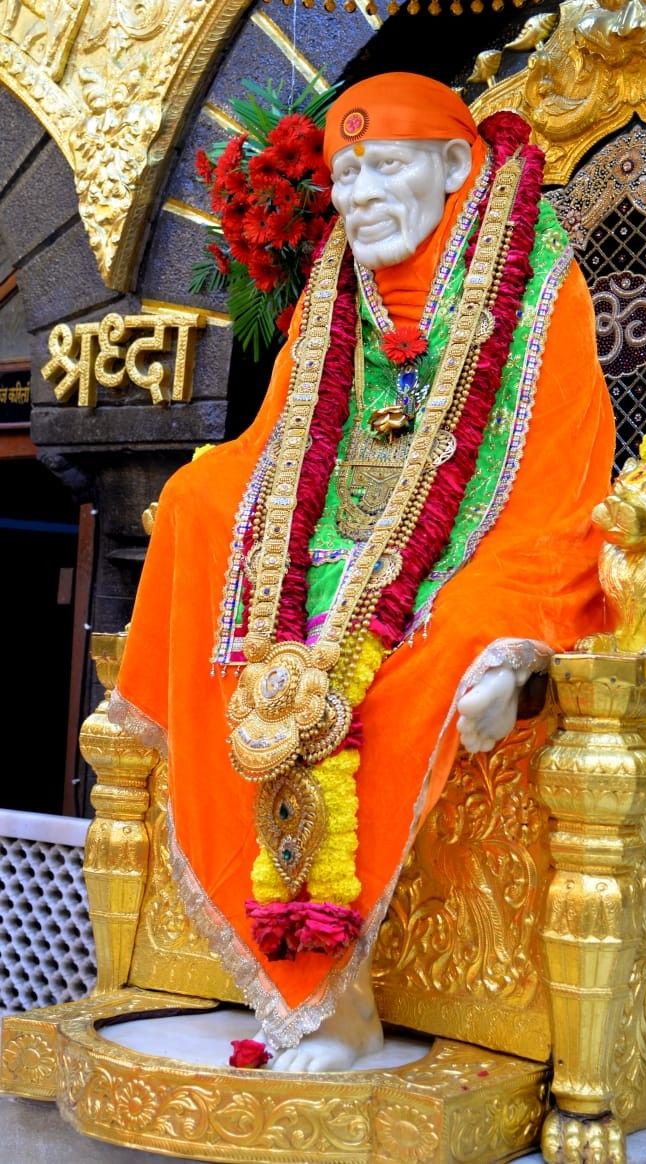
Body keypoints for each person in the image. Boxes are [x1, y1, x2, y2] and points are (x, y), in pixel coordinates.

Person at [111, 73, 615, 1071]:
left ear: (453, 165)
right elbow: (280, 440)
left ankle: (337, 997)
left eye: (381, 168)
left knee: (460, 629)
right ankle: (288, 974)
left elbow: (561, 462)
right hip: (328, 535)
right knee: (206, 504)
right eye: (343, 175)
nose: (356, 196)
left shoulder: (537, 273)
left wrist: (506, 620)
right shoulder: (334, 281)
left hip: (482, 531)